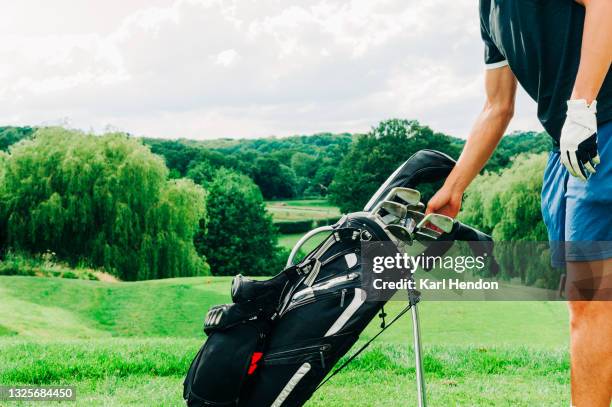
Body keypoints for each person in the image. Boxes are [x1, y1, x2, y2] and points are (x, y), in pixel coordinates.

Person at [426, 1, 612, 405]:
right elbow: (497, 105)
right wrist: (455, 187)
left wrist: (581, 108)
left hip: (599, 130)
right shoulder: (489, 11)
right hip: (566, 146)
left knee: (591, 300)